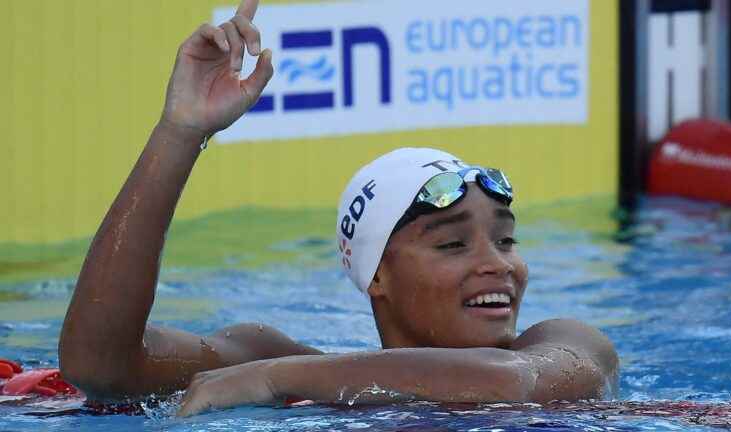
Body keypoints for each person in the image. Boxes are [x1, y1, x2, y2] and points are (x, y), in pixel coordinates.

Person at [58, 0, 618, 417]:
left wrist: (278, 379)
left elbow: (515, 383)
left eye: (506, 239)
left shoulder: (566, 343)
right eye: (452, 243)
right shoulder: (274, 360)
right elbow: (99, 364)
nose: (499, 264)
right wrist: (179, 133)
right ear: (377, 275)